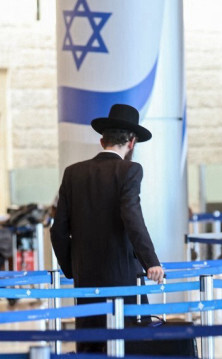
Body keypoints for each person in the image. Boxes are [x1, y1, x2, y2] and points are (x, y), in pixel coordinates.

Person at [50, 104, 164, 353]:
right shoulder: (130, 171)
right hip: (123, 280)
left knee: (90, 347)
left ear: (103, 141)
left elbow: (58, 231)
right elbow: (132, 218)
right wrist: (151, 262)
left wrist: (72, 269)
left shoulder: (73, 173)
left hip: (86, 282)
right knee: (128, 347)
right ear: (132, 143)